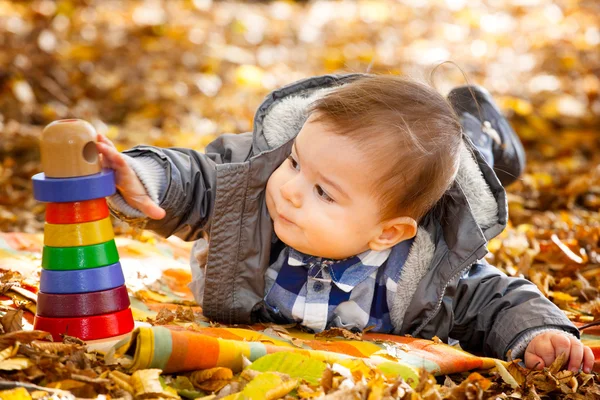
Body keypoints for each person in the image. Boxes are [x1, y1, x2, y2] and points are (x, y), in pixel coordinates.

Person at [97, 73, 594, 373]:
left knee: (466, 158)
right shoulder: (259, 192)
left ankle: (478, 126)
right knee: (391, 153)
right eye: (294, 163)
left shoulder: (421, 275)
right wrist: (144, 176)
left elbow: (494, 298)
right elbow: (200, 180)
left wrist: (537, 334)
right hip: (378, 165)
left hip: (446, 172)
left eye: (322, 193)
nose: (289, 188)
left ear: (388, 233)